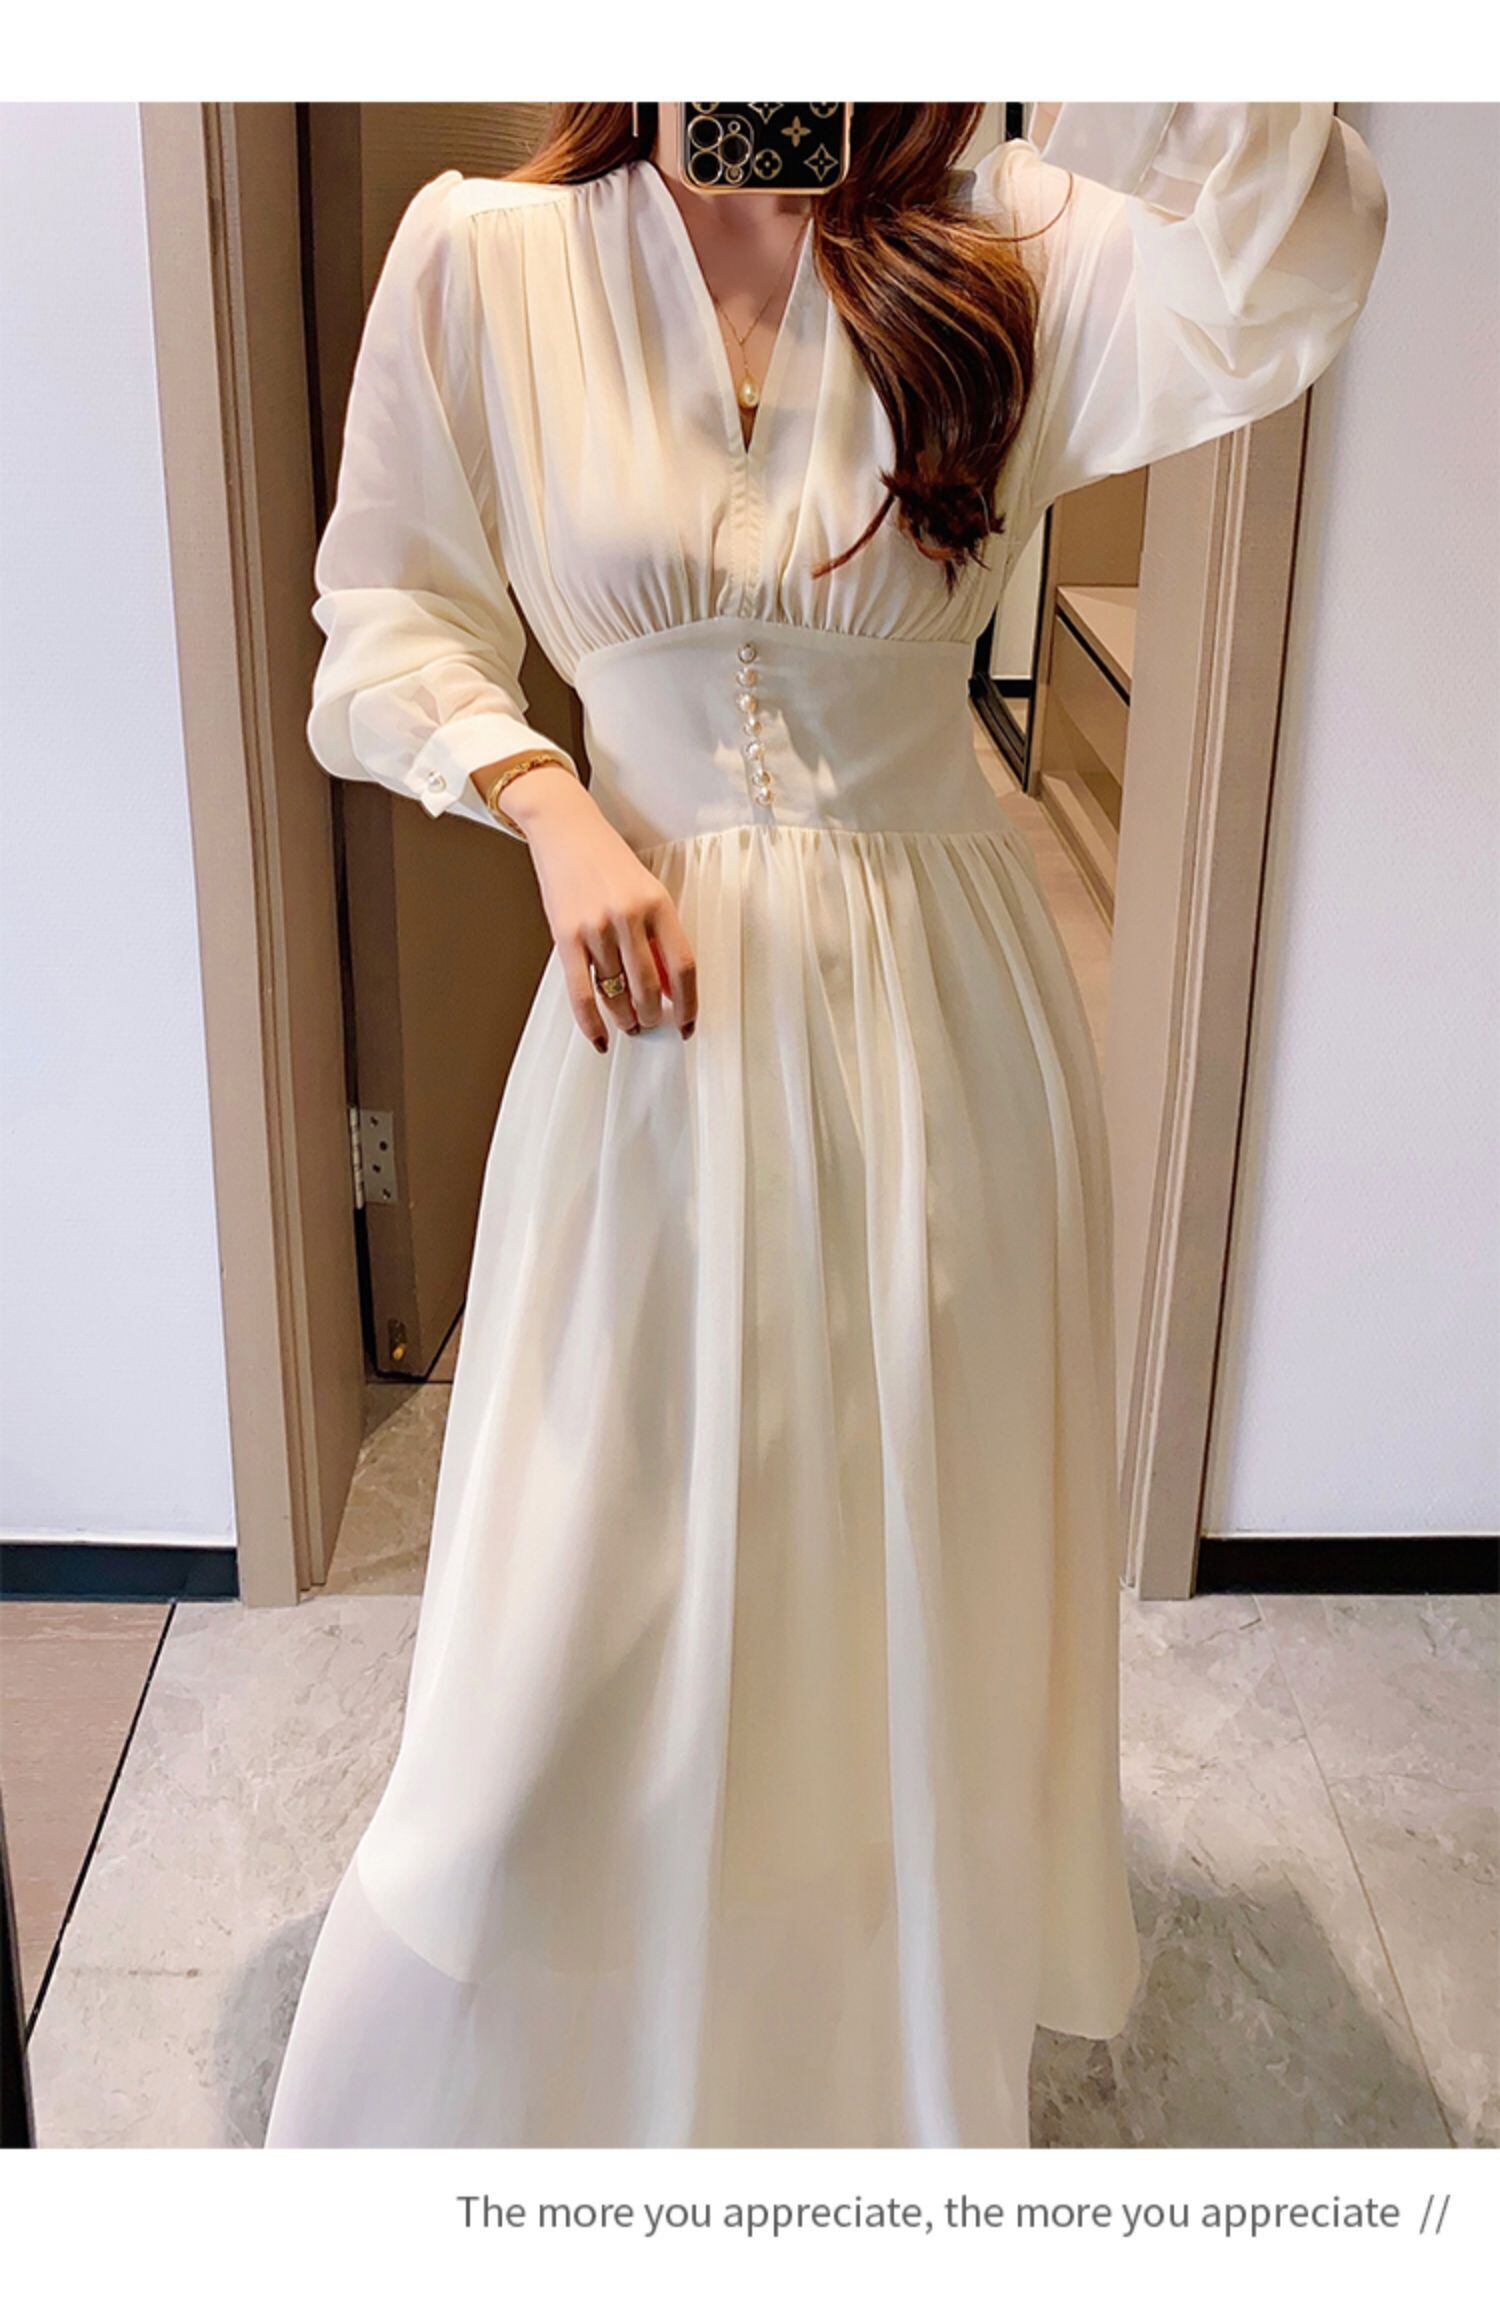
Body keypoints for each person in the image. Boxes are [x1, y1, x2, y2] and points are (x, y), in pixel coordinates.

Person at [263, 102, 1387, 2148]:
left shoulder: (999, 239)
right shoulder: (485, 257)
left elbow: (1286, 259)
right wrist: (543, 796)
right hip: (647, 1042)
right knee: (573, 1616)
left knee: (894, 1581)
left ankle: (848, 2101)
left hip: (947, 1035)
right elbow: (384, 617)